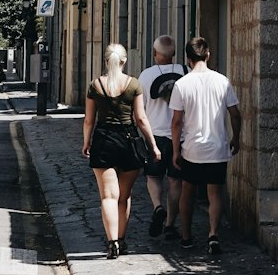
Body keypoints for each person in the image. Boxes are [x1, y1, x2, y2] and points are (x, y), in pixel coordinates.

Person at [81, 42, 161, 260]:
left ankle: (112, 242)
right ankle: (122, 240)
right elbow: (141, 119)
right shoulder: (133, 84)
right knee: (123, 197)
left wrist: (86, 142)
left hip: (103, 140)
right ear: (124, 61)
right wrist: (153, 145)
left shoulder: (95, 85)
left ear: (106, 61)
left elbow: (89, 120)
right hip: (128, 141)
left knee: (107, 196)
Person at [169, 36, 241, 260]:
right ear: (208, 55)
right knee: (215, 193)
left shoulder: (182, 84)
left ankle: (187, 236)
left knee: (187, 192)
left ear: (187, 59)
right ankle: (213, 235)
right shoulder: (222, 81)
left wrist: (175, 150)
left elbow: (176, 122)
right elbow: (235, 114)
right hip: (217, 147)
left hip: (192, 149)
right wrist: (236, 138)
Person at [136, 35, 185, 240]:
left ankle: (157, 206)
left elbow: (140, 109)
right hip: (180, 137)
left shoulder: (145, 76)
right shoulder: (185, 73)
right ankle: (170, 224)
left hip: (154, 135)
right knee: (175, 181)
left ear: (155, 53)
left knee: (153, 177)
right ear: (173, 53)